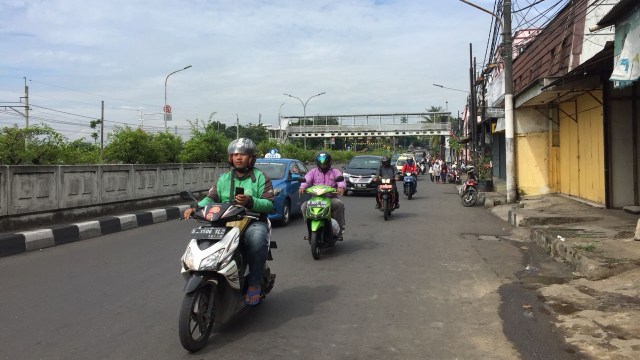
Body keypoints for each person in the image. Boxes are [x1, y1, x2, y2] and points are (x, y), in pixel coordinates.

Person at [182, 138, 274, 306]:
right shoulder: (223, 179)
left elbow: (269, 204)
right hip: (224, 221)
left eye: (243, 154)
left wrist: (250, 201)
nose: (238, 158)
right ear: (230, 158)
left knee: (257, 239)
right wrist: (194, 208)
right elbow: (210, 198)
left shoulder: (261, 178)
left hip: (252, 221)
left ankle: (254, 282)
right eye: (235, 155)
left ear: (251, 158)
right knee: (204, 240)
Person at [299, 152, 346, 240]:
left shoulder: (335, 172)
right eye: (321, 164)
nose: (323, 165)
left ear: (329, 162)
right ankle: (310, 230)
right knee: (304, 206)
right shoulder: (313, 172)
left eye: (325, 163)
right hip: (315, 199)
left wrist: (340, 187)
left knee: (339, 204)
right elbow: (306, 180)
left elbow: (341, 180)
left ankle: (340, 230)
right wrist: (302, 187)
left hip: (331, 198)